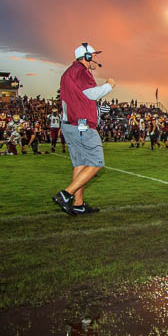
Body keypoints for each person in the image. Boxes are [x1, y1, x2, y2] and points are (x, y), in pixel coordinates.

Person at [52, 42, 115, 216]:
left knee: (80, 164)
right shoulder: (81, 72)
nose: (96, 59)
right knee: (96, 163)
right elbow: (91, 94)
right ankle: (66, 195)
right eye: (94, 55)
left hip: (70, 124)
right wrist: (108, 85)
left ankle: (78, 204)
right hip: (82, 125)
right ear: (86, 57)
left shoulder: (69, 73)